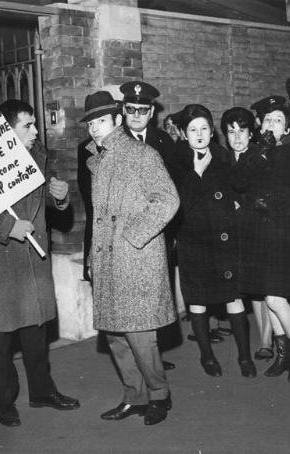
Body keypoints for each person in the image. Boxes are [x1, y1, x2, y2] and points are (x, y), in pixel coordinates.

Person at [0, 100, 79, 428]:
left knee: (36, 333)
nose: (35, 131)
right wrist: (6, 227)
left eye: (34, 124)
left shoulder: (37, 154)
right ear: (5, 128)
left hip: (32, 257)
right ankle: (4, 403)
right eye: (27, 125)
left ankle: (43, 391)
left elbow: (42, 201)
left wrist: (58, 196)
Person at [81, 90, 179, 425]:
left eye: (102, 121)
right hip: (109, 259)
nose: (95, 128)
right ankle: (134, 396)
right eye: (91, 122)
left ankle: (159, 396)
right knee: (114, 334)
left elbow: (168, 200)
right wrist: (95, 256)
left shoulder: (142, 155)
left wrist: (133, 236)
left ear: (117, 120)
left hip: (136, 259)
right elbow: (100, 215)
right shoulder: (99, 158)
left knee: (139, 335)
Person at [167, 104, 256, 379]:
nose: (200, 134)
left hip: (223, 239)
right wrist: (196, 172)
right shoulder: (175, 160)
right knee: (198, 301)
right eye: (193, 129)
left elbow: (239, 189)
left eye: (204, 128)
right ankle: (207, 355)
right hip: (194, 241)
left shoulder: (222, 156)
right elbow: (178, 204)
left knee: (234, 299)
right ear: (183, 133)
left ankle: (244, 357)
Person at [234, 104, 290, 382]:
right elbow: (241, 182)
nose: (271, 123)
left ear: (288, 126)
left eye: (278, 119)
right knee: (270, 299)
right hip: (259, 233)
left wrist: (270, 204)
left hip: (287, 231)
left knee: (274, 297)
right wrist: (260, 150)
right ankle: (283, 356)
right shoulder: (257, 151)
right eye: (268, 119)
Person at [119, 80, 178, 371]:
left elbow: (172, 194)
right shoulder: (112, 143)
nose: (137, 115)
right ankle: (142, 359)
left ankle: (154, 357)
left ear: (152, 111)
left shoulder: (165, 144)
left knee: (153, 299)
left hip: (156, 236)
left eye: (143, 110)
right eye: (131, 109)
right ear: (123, 109)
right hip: (121, 237)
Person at [219, 106, 273, 362]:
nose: (237, 137)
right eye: (231, 132)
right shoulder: (224, 160)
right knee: (251, 288)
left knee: (264, 288)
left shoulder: (259, 156)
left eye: (242, 131)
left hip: (258, 229)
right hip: (235, 232)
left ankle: (266, 341)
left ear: (251, 134)